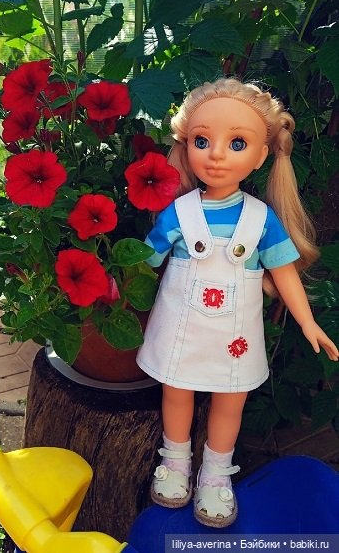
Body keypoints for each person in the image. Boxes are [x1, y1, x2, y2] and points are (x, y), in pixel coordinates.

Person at [136, 78, 338, 528]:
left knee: (230, 401)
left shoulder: (261, 219)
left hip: (235, 337)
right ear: (186, 144)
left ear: (262, 155)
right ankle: (176, 462)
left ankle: (215, 473)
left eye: (237, 143)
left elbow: (284, 272)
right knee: (176, 393)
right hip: (180, 328)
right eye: (202, 141)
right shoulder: (179, 213)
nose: (216, 155)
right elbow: (144, 261)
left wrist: (307, 322)